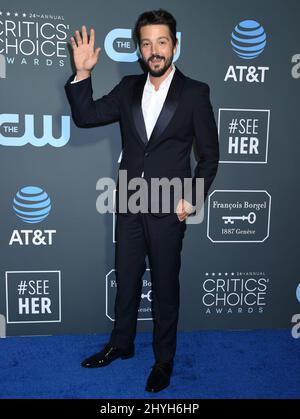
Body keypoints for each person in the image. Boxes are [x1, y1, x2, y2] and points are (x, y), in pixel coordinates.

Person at [65, 9, 219, 393]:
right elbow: (86, 116)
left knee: (166, 287)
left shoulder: (196, 92)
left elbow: (210, 155)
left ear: (175, 46)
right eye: (147, 43)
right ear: (139, 49)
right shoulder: (128, 89)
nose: (154, 50)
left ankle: (164, 361)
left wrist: (193, 199)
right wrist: (83, 73)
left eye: (162, 42)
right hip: (130, 201)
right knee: (127, 278)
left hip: (170, 206)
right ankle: (121, 344)